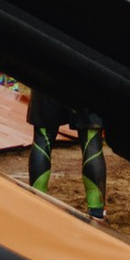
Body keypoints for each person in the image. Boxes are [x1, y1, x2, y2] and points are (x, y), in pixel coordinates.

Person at [27, 92, 108, 223]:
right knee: (91, 140)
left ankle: (37, 203)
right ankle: (97, 213)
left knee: (43, 137)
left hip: (49, 75)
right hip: (87, 77)